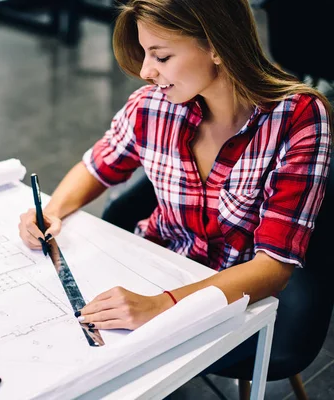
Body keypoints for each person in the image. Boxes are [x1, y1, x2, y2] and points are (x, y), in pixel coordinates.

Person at [18, 0, 332, 333]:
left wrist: (162, 306)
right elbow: (97, 166)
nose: (145, 72)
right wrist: (51, 212)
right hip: (152, 270)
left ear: (215, 46)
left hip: (238, 301)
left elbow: (273, 269)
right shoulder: (151, 105)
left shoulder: (299, 118)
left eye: (162, 56)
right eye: (145, 54)